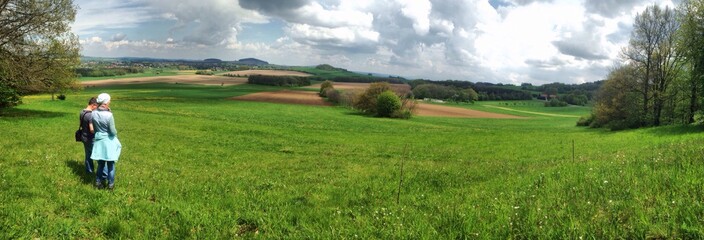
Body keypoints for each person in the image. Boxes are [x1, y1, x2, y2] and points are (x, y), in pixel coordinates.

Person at [91, 93, 122, 190]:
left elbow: (95, 127)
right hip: (109, 141)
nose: (110, 102)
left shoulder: (93, 113)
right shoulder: (109, 115)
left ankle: (98, 182)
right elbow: (112, 131)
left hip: (99, 140)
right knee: (111, 164)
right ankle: (110, 185)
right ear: (105, 102)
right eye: (109, 100)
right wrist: (116, 133)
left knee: (100, 164)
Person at [80, 97, 99, 174]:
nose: (96, 109)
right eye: (96, 107)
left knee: (88, 155)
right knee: (98, 155)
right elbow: (91, 129)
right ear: (93, 105)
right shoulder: (90, 115)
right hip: (91, 138)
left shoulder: (82, 112)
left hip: (84, 137)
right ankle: (101, 173)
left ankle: (89, 171)